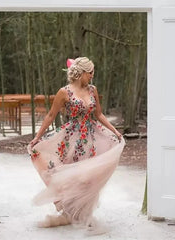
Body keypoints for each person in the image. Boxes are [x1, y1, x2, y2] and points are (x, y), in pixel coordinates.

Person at [27, 57, 125, 232]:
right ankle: (71, 211)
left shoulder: (92, 90)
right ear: (81, 73)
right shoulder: (64, 92)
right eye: (90, 73)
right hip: (71, 139)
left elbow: (99, 114)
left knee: (88, 177)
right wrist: (37, 137)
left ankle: (84, 214)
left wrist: (115, 131)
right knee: (73, 175)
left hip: (92, 138)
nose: (93, 76)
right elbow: (50, 116)